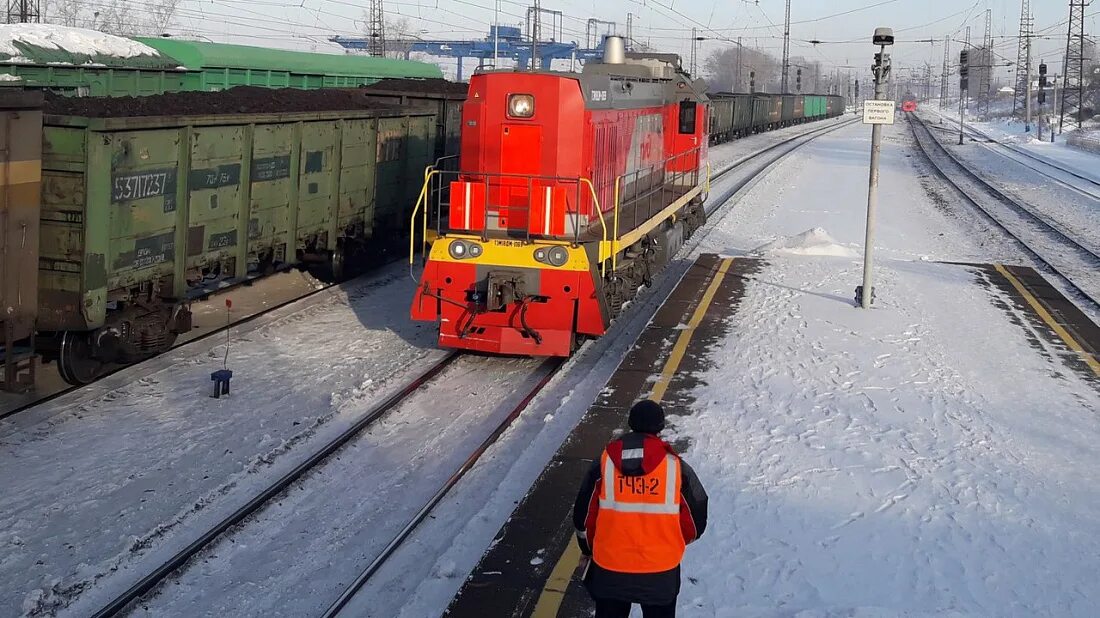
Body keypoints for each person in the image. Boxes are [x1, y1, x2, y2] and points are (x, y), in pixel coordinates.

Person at [572, 399, 709, 618]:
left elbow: (583, 517)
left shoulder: (604, 463)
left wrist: (589, 549)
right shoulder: (676, 468)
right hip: (660, 570)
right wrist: (671, 540)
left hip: (610, 567)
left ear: (630, 423)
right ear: (660, 426)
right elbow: (695, 519)